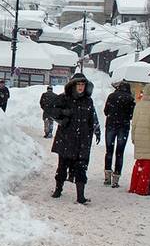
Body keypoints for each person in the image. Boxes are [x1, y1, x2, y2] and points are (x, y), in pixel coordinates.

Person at [50, 73, 101, 205]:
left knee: (81, 167)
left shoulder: (88, 100)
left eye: (83, 84)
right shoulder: (64, 98)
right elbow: (51, 110)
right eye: (78, 84)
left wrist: (96, 129)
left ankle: (80, 196)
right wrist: (63, 114)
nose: (80, 87)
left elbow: (92, 116)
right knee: (62, 166)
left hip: (83, 139)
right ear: (73, 85)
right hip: (66, 137)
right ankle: (58, 189)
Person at [103, 81, 135, 188]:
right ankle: (116, 179)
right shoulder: (130, 98)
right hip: (123, 127)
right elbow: (131, 115)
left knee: (109, 151)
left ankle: (107, 176)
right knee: (120, 153)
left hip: (111, 125)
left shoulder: (111, 96)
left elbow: (106, 111)